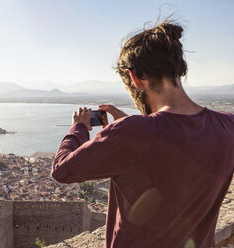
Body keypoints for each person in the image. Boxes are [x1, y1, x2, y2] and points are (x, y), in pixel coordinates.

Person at [51, 20, 234, 248]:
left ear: (136, 78)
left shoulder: (132, 133)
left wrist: (79, 127)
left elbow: (62, 170)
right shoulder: (228, 125)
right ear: (179, 69)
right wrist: (134, 127)